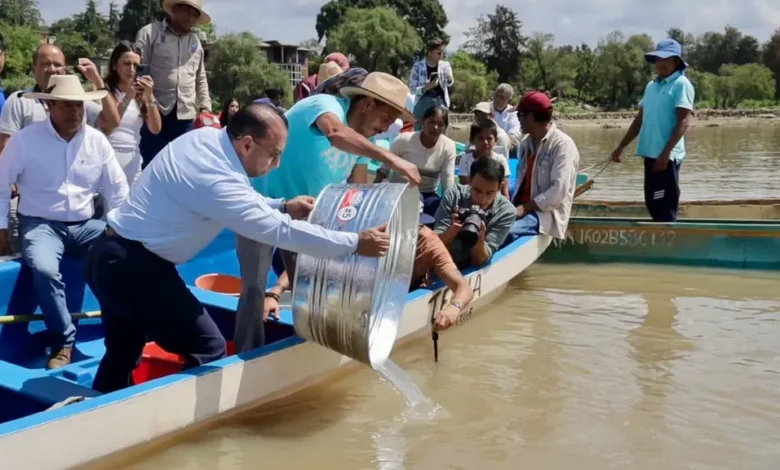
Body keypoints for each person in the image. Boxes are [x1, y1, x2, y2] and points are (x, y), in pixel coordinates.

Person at [85, 104, 392, 393]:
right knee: (208, 348)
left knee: (122, 353)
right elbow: (280, 231)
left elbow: (241, 199)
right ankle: (200, 427)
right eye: (274, 155)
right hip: (136, 269)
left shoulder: (207, 141)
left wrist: (282, 205)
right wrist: (354, 243)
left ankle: (98, 416)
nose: (277, 165)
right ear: (247, 144)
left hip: (109, 256)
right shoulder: (217, 178)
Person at [238, 72, 422, 353]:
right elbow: (335, 134)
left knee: (309, 289)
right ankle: (248, 354)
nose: (386, 128)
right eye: (386, 119)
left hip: (303, 215)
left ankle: (306, 347)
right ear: (367, 104)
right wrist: (393, 160)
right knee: (254, 287)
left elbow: (359, 193)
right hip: (263, 203)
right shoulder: (325, 106)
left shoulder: (364, 145)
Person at [0, 75, 129, 369]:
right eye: (67, 105)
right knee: (44, 268)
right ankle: (64, 341)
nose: (75, 112)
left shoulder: (96, 141)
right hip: (41, 224)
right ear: (50, 106)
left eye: (79, 105)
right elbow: (1, 184)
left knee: (127, 255)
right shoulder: (25, 140)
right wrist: (1, 228)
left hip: (86, 225)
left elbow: (117, 189)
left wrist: (118, 228)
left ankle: (125, 327)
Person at [264, 197, 473, 332]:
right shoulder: (369, 231)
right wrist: (275, 292)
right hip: (359, 297)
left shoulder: (428, 243)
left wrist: (453, 308)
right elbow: (312, 263)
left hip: (398, 300)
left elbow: (463, 287)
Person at [0, 44, 121, 255]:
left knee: (117, 250)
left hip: (78, 213)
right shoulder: (19, 101)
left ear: (65, 69)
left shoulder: (79, 104)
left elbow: (112, 122)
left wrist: (98, 82)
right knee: (29, 257)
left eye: (57, 64)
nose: (52, 69)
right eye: (45, 64)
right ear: (34, 68)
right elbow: (5, 148)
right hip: (30, 202)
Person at [610, 39, 694, 222]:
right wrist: (621, 146)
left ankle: (668, 235)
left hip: (667, 157)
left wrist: (665, 154)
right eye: (658, 59)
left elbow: (683, 122)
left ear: (676, 61)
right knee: (653, 201)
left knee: (665, 203)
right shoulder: (651, 86)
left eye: (666, 59)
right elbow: (639, 120)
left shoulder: (681, 84)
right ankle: (660, 232)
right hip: (649, 153)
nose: (661, 63)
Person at [135, 0, 213, 167]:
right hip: (156, 111)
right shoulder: (150, 33)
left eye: (195, 15)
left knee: (182, 166)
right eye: (187, 12)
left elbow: (200, 77)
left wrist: (205, 107)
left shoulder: (195, 42)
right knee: (152, 164)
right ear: (175, 9)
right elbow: (140, 71)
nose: (191, 18)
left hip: (185, 115)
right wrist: (143, 103)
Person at [502, 91, 580, 247]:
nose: (518, 120)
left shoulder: (562, 145)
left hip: (544, 214)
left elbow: (557, 193)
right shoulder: (525, 144)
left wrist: (525, 208)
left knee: (504, 232)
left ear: (531, 117)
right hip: (522, 207)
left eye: (520, 115)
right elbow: (521, 183)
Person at [433, 158, 515, 270]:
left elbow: (480, 260)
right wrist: (452, 231)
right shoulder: (454, 195)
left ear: (500, 187)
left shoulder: (506, 212)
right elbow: (434, 244)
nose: (482, 199)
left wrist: (480, 240)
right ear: (470, 181)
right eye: (477, 190)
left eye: (489, 193)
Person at [375, 105, 456, 217]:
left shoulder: (449, 147)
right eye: (431, 122)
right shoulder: (403, 139)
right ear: (422, 122)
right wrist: (375, 192)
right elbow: (384, 168)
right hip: (399, 191)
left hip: (427, 195)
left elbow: (448, 180)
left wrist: (450, 205)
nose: (435, 127)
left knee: (438, 213)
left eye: (440, 124)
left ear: (445, 127)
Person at [104, 41, 163, 186]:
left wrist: (150, 97)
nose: (131, 69)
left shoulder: (141, 95)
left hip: (133, 159)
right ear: (114, 65)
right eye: (126, 63)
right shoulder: (104, 90)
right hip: (107, 155)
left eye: (136, 65)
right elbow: (108, 127)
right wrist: (127, 97)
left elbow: (155, 129)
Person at [457, 117, 511, 198]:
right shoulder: (466, 160)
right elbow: (465, 189)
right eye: (480, 138)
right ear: (472, 140)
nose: (485, 142)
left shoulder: (500, 160)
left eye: (489, 139)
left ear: (495, 140)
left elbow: (504, 192)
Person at [409, 37, 454, 130]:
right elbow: (412, 90)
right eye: (438, 52)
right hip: (422, 102)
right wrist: (426, 87)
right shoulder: (417, 66)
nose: (441, 55)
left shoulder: (445, 65)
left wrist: (449, 79)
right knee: (418, 130)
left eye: (443, 53)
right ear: (429, 51)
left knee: (441, 129)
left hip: (440, 101)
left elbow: (450, 82)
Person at [490, 84, 522, 153]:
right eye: (496, 95)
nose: (497, 99)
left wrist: (511, 139)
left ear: (509, 100)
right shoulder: (487, 108)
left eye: (501, 97)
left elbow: (515, 129)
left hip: (506, 146)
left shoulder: (513, 112)